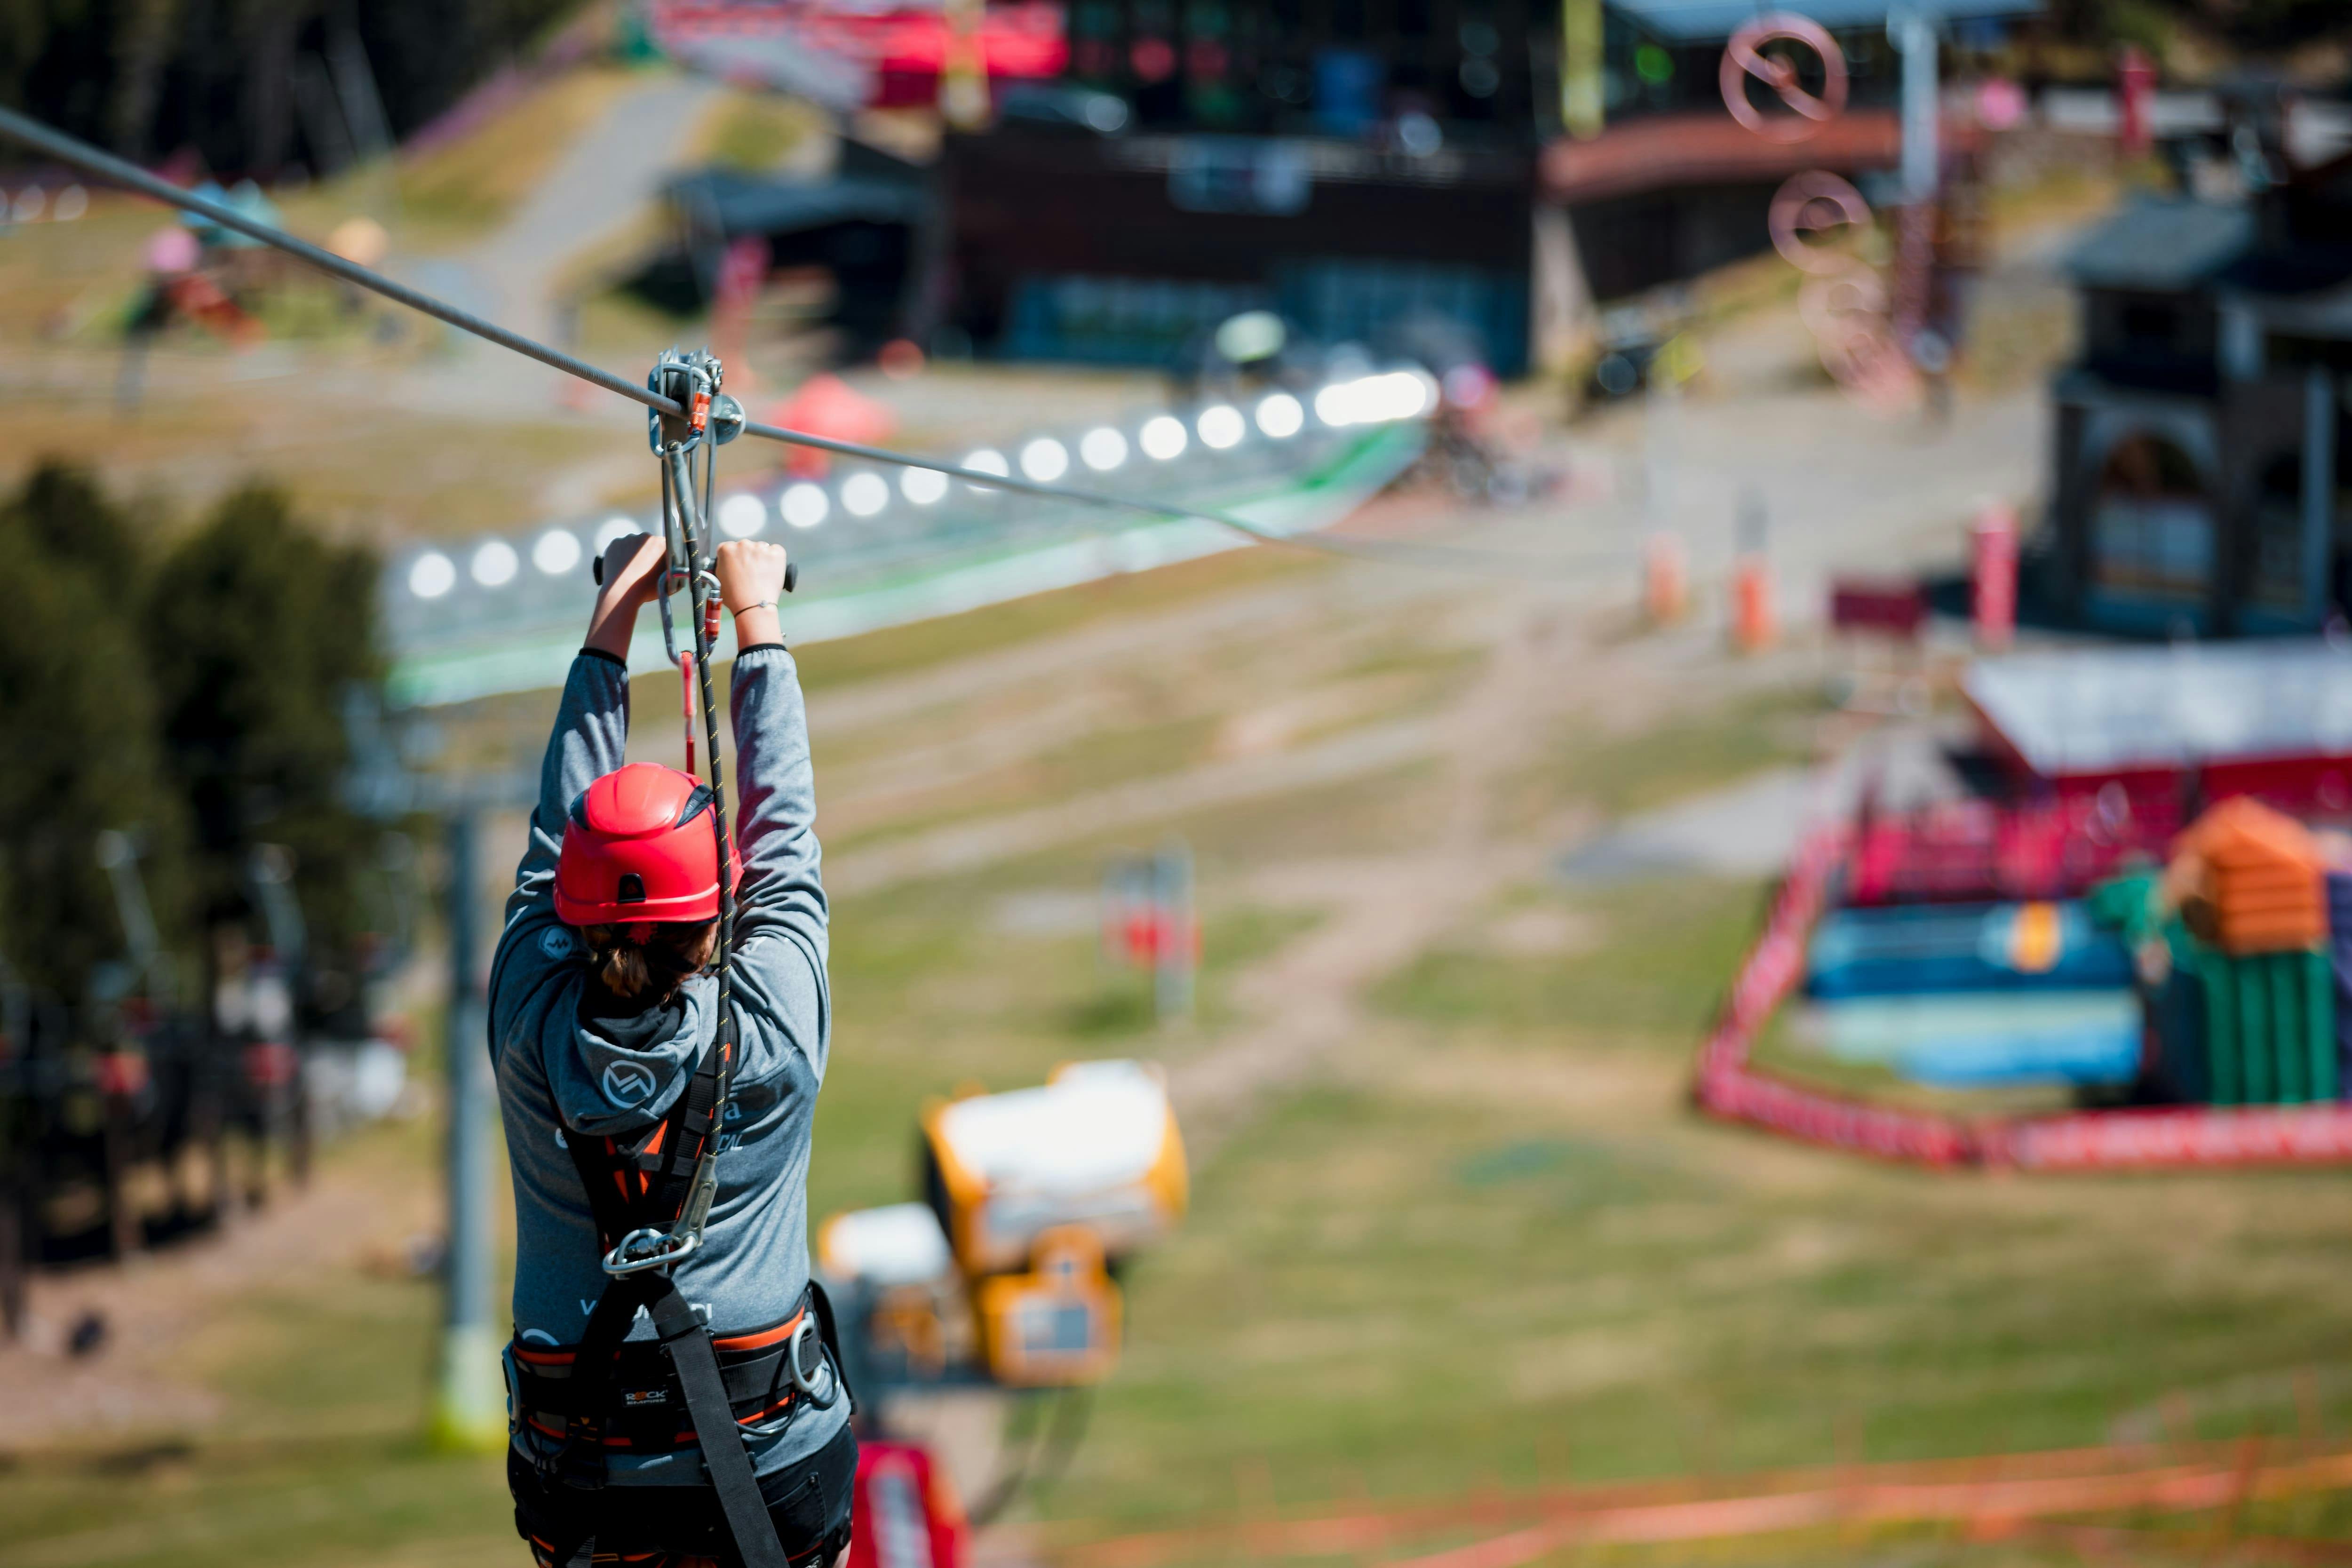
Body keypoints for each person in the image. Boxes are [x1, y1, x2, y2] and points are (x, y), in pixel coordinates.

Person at [488, 531, 852, 1568]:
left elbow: (552, 848)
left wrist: (615, 613)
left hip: (583, 1483)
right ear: (711, 920)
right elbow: (785, 844)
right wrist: (757, 618)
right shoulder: (772, 1023)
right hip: (773, 1474)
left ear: (575, 912)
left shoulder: (529, 1023)